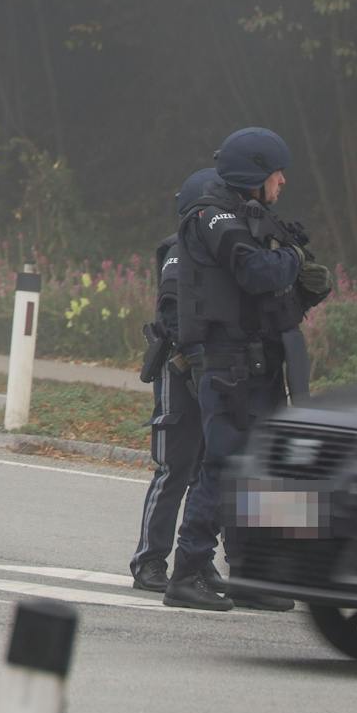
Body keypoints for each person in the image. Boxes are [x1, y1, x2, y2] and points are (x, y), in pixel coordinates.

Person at [163, 127, 333, 611]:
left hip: (257, 360)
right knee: (225, 465)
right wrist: (291, 260)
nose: (282, 182)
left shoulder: (249, 215)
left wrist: (304, 281)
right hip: (228, 363)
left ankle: (253, 572)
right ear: (254, 172)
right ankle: (189, 570)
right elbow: (256, 273)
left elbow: (269, 289)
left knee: (262, 470)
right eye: (276, 172)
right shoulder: (212, 215)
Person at [130, 167, 222, 593]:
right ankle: (149, 561)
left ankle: (200, 560)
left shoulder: (218, 249)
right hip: (179, 370)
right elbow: (172, 313)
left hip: (216, 373)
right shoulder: (179, 250)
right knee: (174, 470)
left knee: (211, 469)